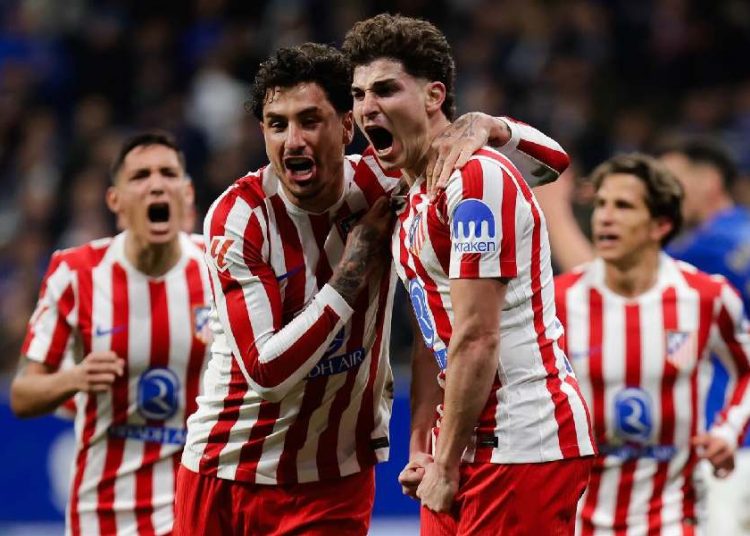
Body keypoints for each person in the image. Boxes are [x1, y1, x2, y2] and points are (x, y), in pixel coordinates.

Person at [173, 42, 573, 535]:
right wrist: (354, 265)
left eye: (310, 121)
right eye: (277, 125)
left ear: (347, 126)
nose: (293, 141)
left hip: (336, 475)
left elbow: (551, 163)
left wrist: (488, 126)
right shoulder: (240, 216)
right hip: (230, 466)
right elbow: (266, 370)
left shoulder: (386, 181)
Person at [343, 14, 596, 535]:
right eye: (359, 94)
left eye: (386, 89)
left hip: (523, 442)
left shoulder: (476, 177)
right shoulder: (410, 193)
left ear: (434, 95)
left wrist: (492, 124)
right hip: (460, 443)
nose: (367, 107)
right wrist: (423, 446)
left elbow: (478, 336)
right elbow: (432, 334)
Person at [537, 138, 750, 534]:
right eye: (600, 204)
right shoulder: (558, 301)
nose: (605, 217)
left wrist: (727, 431)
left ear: (660, 225)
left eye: (623, 206)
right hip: (579, 515)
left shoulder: (705, 292)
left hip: (677, 514)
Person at [10, 131, 213, 536]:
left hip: (193, 507)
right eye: (140, 176)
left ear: (187, 192)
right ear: (115, 201)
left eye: (168, 173)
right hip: (103, 513)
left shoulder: (217, 267)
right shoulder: (76, 272)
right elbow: (22, 395)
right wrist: (75, 378)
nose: (156, 184)